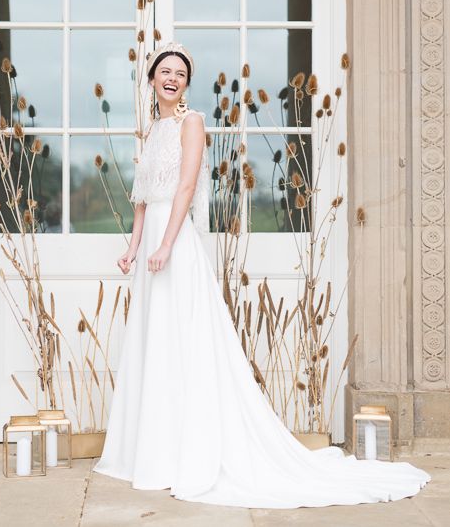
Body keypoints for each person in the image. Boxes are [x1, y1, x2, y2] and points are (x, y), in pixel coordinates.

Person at [92, 42, 430, 508]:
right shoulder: (151, 131)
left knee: (181, 342)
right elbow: (143, 198)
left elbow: (186, 187)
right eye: (164, 71)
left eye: (180, 73)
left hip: (175, 245)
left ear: (186, 84)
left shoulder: (192, 124)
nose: (171, 78)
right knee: (157, 343)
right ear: (151, 79)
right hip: (151, 245)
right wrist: (134, 247)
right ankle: (154, 451)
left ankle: (185, 453)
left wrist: (168, 243)